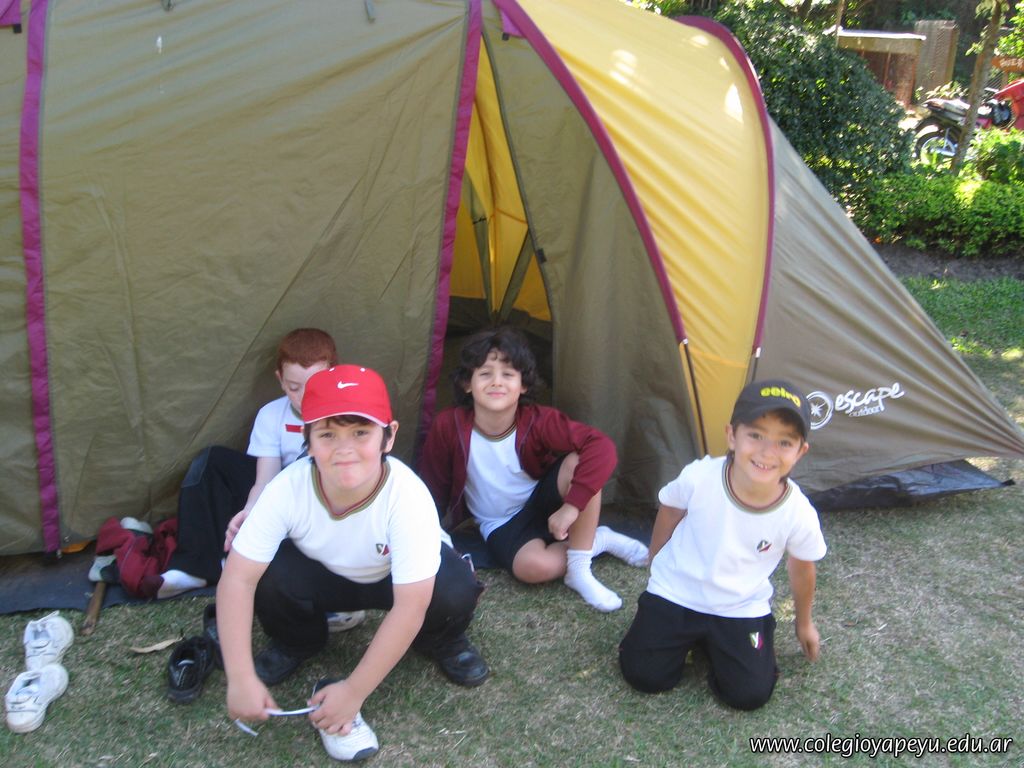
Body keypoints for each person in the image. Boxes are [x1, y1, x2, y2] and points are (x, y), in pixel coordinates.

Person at [218, 364, 489, 762]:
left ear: (388, 436)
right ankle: (296, 640)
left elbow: (411, 605)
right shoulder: (286, 488)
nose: (344, 449)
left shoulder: (407, 496)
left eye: (361, 432)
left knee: (453, 588)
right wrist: (240, 676)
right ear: (307, 440)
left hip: (390, 577)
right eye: (327, 434)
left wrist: (353, 691)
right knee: (266, 570)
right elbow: (237, 579)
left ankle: (441, 640)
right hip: (322, 572)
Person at [618, 379, 827, 711]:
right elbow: (670, 508)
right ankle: (689, 639)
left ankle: (719, 645)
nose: (767, 452)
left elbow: (802, 567)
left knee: (749, 695)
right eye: (755, 435)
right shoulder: (700, 476)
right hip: (676, 591)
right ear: (732, 435)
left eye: (784, 442)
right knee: (644, 675)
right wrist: (657, 562)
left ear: (800, 451)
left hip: (740, 606)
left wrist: (804, 623)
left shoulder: (797, 512)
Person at [419, 326, 648, 613]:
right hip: (500, 522)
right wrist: (432, 533)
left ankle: (579, 569)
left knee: (580, 462)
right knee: (533, 569)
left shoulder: (537, 420)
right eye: (485, 373)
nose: (496, 382)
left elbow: (601, 447)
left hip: (542, 498)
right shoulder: (448, 426)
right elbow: (432, 486)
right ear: (467, 384)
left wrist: (571, 507)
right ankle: (599, 539)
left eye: (508, 374)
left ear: (523, 385)